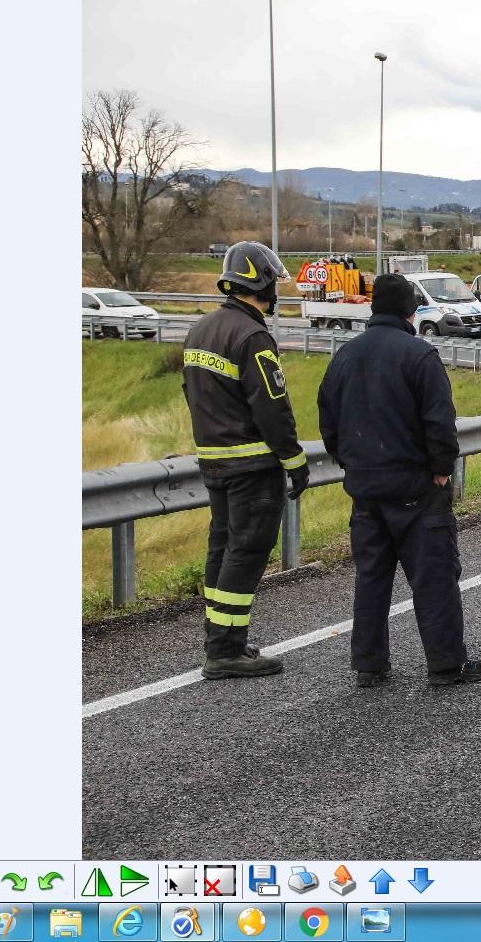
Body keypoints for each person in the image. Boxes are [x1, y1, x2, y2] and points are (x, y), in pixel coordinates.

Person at [318, 274, 481, 688]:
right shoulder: (419, 355)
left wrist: (351, 461)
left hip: (365, 489)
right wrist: (441, 467)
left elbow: (329, 419)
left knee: (372, 578)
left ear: (373, 309)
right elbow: (439, 422)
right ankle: (446, 664)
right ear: (410, 312)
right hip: (416, 488)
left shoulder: (345, 356)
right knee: (433, 578)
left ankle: (369, 665)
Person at [181, 241, 307, 680]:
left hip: (213, 462)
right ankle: (225, 651)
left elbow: (192, 394)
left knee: (222, 550)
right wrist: (294, 460)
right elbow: (272, 405)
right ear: (263, 282)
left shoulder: (202, 329)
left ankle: (221, 641)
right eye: (274, 283)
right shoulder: (252, 336)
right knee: (247, 552)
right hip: (252, 465)